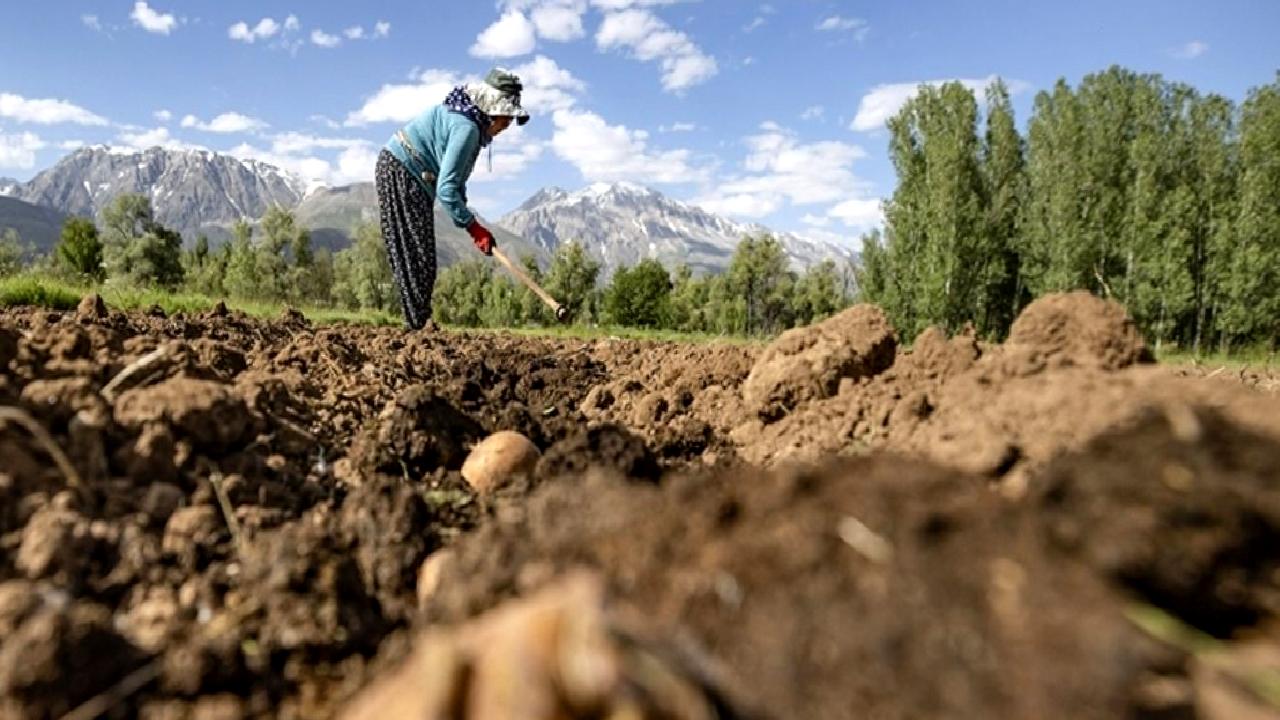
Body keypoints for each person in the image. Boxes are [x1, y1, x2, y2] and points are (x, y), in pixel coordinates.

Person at [375, 67, 530, 330]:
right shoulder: (466, 129)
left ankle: (417, 327)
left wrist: (471, 222)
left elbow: (455, 181)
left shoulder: (470, 122)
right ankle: (417, 330)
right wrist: (473, 227)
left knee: (421, 260)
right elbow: (447, 190)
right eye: (507, 117)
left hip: (411, 174)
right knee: (417, 259)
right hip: (402, 171)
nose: (507, 125)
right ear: (493, 108)